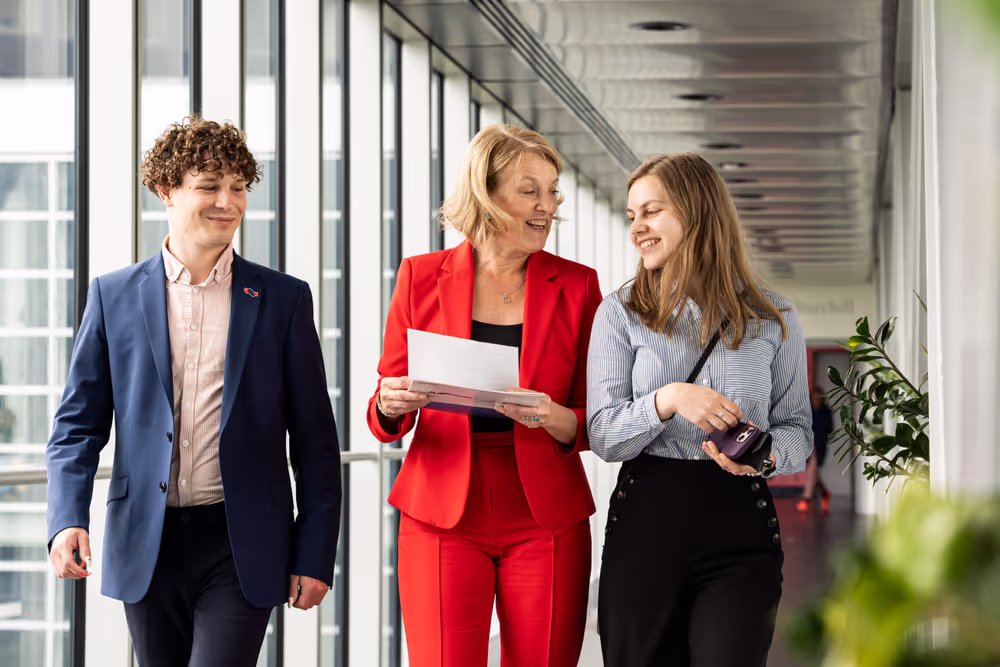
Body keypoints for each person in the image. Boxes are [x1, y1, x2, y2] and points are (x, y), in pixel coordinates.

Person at [46, 117, 342, 667]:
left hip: (241, 541)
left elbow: (316, 445)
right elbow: (77, 425)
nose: (227, 202)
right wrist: (67, 518)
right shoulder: (113, 296)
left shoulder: (282, 300)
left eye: (238, 188)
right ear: (166, 190)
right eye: (209, 186)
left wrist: (316, 553)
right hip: (146, 542)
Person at [368, 124, 601, 667]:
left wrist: (551, 416)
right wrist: (389, 402)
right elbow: (385, 409)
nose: (547, 207)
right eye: (530, 191)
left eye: (552, 191)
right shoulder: (419, 277)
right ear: (485, 193)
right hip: (440, 510)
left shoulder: (578, 286)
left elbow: (597, 418)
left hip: (546, 513)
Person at [587, 153, 812, 667]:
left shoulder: (773, 319)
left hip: (739, 528)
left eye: (651, 211)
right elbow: (604, 437)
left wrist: (766, 456)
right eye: (631, 216)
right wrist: (666, 401)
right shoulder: (619, 314)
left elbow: (799, 429)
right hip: (645, 528)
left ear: (696, 212)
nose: (637, 228)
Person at [798, 389, 834, 513]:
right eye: (814, 398)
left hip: (819, 446)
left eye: (819, 398)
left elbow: (830, 430)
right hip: (807, 445)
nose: (816, 401)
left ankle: (806, 499)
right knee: (813, 474)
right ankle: (824, 493)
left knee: (812, 471)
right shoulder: (807, 412)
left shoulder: (826, 413)